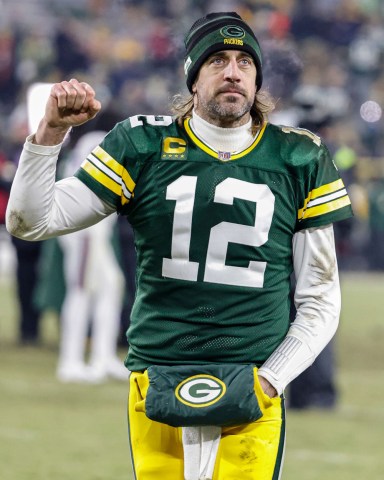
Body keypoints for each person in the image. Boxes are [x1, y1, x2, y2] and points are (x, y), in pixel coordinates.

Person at [6, 11, 353, 480]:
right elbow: (30, 220)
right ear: (193, 77)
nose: (233, 72)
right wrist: (49, 134)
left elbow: (321, 298)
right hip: (157, 376)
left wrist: (273, 378)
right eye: (217, 61)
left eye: (244, 62)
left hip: (252, 377)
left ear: (257, 77)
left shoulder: (299, 156)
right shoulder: (142, 144)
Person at [56, 131, 127, 383]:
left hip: (95, 230)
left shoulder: (93, 141)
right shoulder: (102, 141)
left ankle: (103, 356)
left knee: (111, 286)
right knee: (81, 290)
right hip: (85, 230)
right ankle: (70, 360)